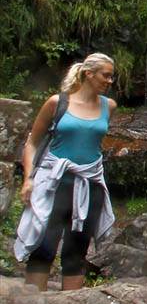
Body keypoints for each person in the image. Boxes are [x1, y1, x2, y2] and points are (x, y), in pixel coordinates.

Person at [15, 53, 117, 291]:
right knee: (44, 246)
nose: (110, 81)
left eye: (112, 76)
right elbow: (32, 143)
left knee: (77, 250)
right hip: (55, 181)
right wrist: (28, 179)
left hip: (90, 183)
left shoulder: (109, 106)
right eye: (106, 75)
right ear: (88, 74)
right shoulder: (57, 103)